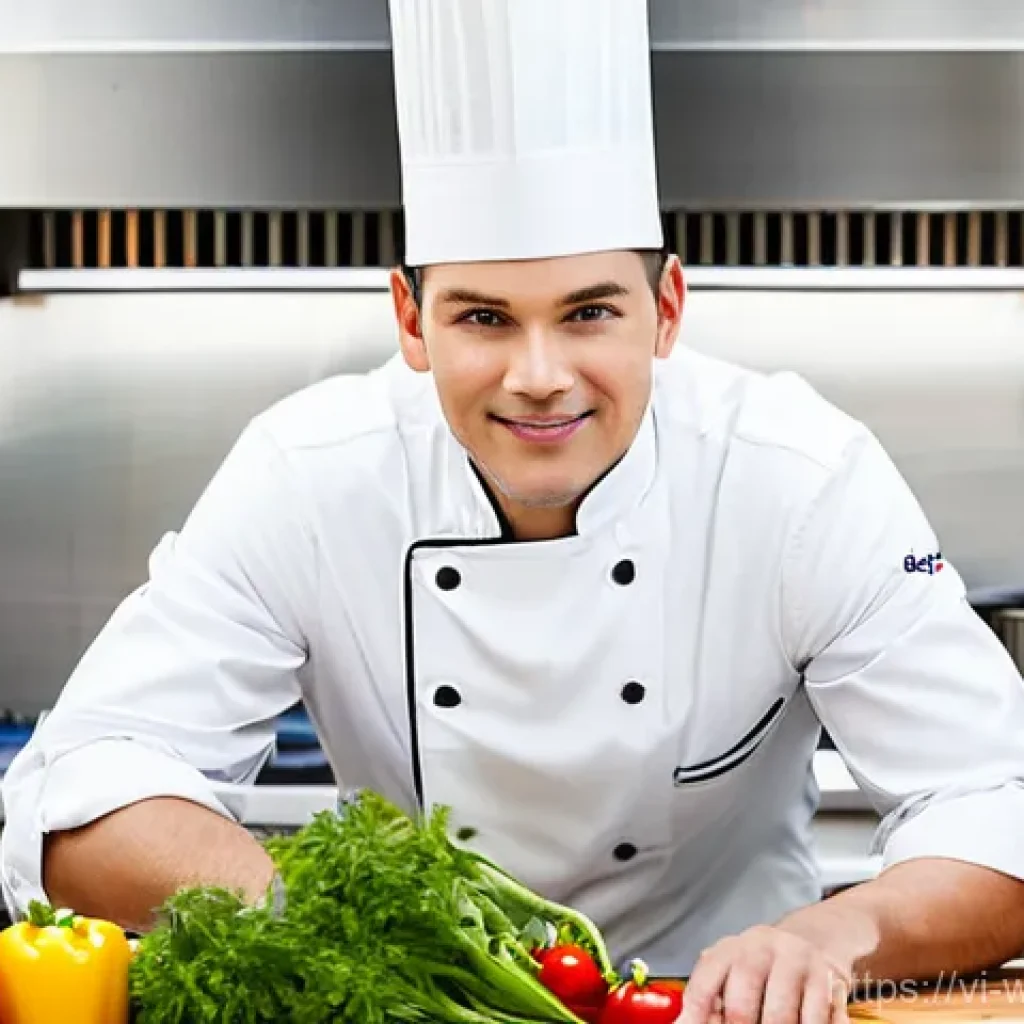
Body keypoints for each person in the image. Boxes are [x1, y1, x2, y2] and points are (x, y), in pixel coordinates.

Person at [5, 1, 1024, 1022]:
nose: (539, 378)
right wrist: (333, 928)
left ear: (666, 310)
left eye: (589, 312)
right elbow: (87, 782)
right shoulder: (309, 475)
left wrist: (829, 936)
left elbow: (996, 803)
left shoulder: (799, 479)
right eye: (483, 318)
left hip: (725, 1011)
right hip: (410, 1006)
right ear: (411, 321)